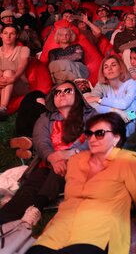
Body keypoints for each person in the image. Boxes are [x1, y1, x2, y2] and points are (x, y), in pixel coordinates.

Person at [26, 113, 136, 254]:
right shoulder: (76, 161)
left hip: (97, 235)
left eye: (100, 133)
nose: (92, 139)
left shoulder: (128, 162)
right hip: (57, 232)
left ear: (116, 138)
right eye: (89, 133)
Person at [0, 81, 96, 228]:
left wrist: (70, 153)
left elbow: (96, 139)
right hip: (49, 163)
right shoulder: (45, 118)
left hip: (81, 164)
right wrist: (52, 157)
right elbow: (40, 141)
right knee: (31, 186)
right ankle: (4, 218)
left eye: (67, 91)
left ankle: (37, 207)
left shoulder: (91, 116)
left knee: (64, 166)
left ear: (77, 95)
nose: (62, 94)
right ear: (53, 98)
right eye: (58, 92)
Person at [85, 55, 136, 138]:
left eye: (114, 65)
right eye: (106, 67)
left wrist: (99, 99)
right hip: (115, 119)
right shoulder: (103, 86)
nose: (109, 69)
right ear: (104, 73)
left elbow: (124, 105)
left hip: (135, 116)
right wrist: (113, 110)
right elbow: (90, 102)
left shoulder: (132, 83)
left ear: (121, 69)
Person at [0, 22, 30, 119]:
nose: (8, 36)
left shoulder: (24, 49)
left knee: (8, 72)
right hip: (2, 82)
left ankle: (3, 108)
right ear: (1, 35)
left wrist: (13, 78)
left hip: (19, 84)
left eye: (12, 33)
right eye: (5, 33)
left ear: (16, 36)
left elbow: (22, 66)